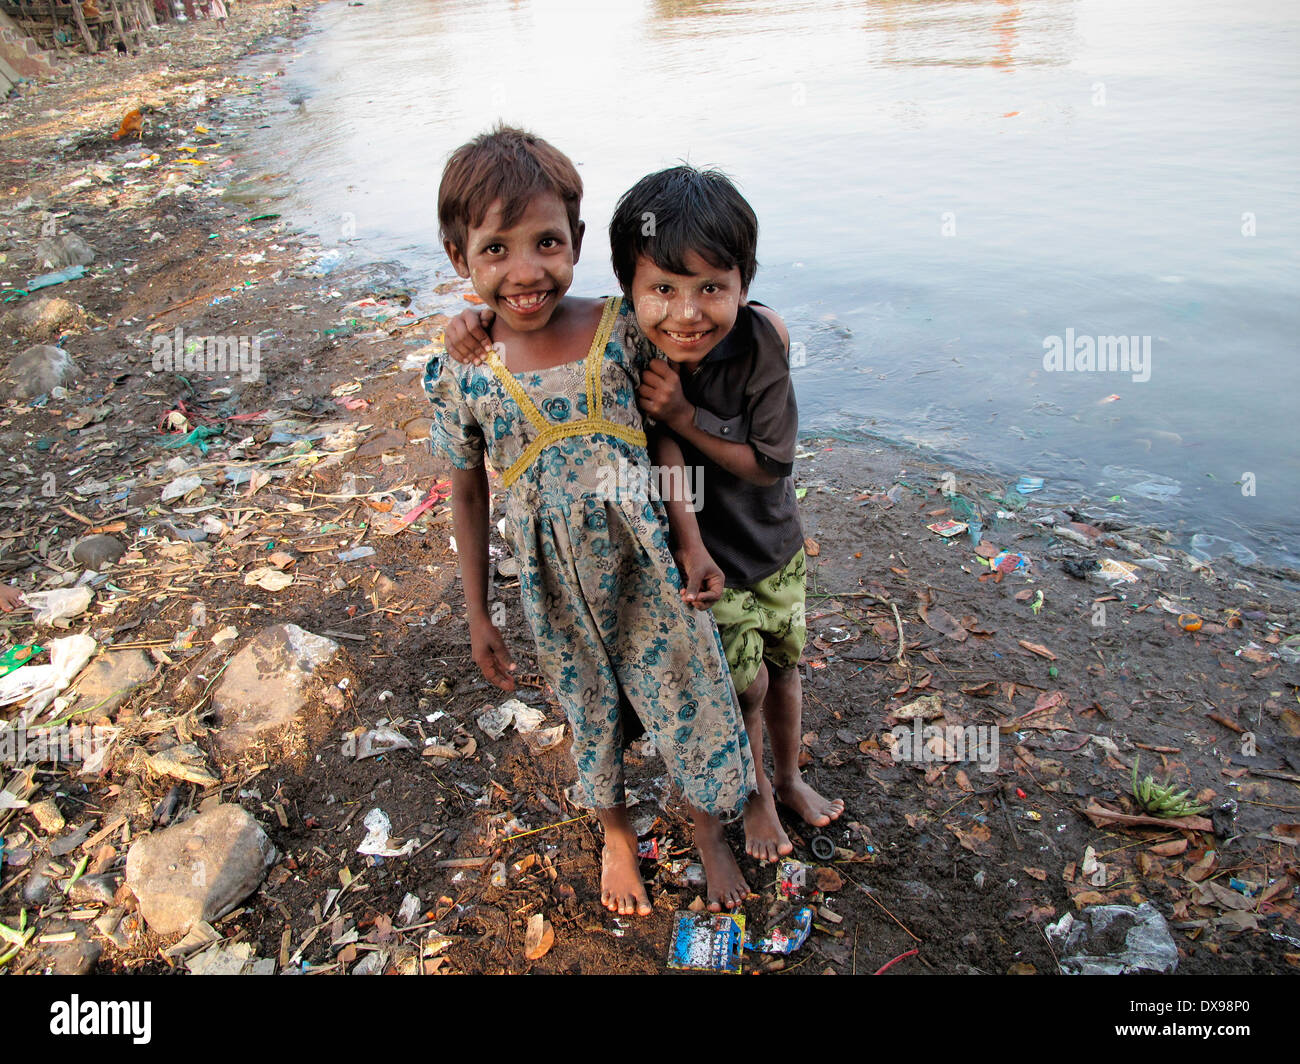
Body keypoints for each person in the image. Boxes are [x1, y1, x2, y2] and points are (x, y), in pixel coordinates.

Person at [447, 165, 846, 863]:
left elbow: (727, 448)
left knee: (758, 675)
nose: (685, 313)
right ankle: (697, 815)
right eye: (663, 290)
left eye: (546, 243)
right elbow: (480, 479)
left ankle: (776, 784)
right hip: (624, 575)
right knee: (683, 693)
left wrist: (689, 425)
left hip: (728, 555)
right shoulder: (590, 341)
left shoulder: (682, 335)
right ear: (632, 288)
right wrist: (473, 321)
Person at [424, 127, 756, 916]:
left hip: (650, 564)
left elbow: (665, 433)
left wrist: (692, 538)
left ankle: (708, 828)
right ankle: (616, 831)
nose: (525, 271)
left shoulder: (622, 327)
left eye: (546, 241)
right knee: (590, 707)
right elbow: (466, 492)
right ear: (457, 259)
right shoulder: (460, 370)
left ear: (577, 239)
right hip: (554, 583)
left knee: (692, 688)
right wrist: (478, 611)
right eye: (494, 250)